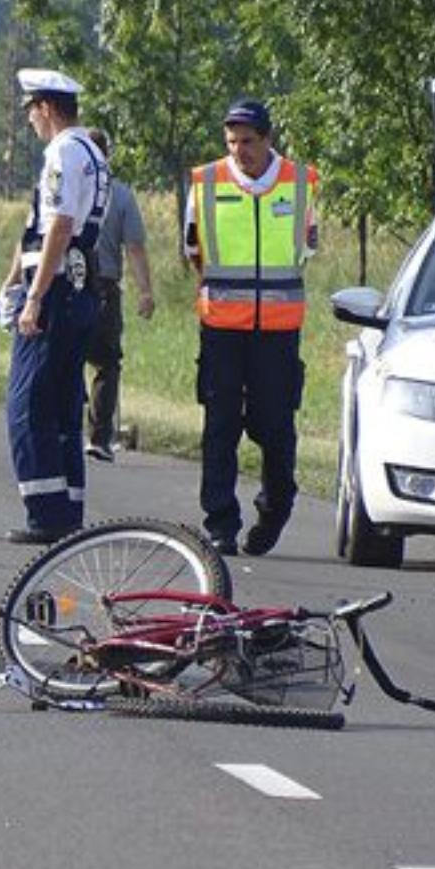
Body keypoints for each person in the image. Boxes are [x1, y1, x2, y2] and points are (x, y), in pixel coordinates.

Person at [185, 99, 318, 557]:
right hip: (221, 326)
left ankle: (276, 504)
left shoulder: (301, 182)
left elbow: (308, 247)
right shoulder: (205, 182)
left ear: (267, 139)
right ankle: (220, 522)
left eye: (247, 142)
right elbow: (194, 252)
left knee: (275, 427)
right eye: (232, 142)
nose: (239, 150)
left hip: (278, 331)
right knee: (220, 425)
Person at [0, 68, 110, 544]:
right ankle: (67, 508)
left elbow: (58, 226)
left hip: (58, 288)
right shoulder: (93, 153)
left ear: (45, 107)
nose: (30, 122)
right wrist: (12, 285)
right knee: (63, 404)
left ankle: (45, 512)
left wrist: (34, 297)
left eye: (30, 112)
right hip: (78, 288)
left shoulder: (63, 151)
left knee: (27, 406)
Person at [81, 127, 155, 462]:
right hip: (105, 287)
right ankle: (98, 435)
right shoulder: (121, 195)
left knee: (69, 357)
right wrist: (144, 291)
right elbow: (135, 248)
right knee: (107, 363)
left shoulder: (69, 189)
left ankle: (68, 426)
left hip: (69, 283)